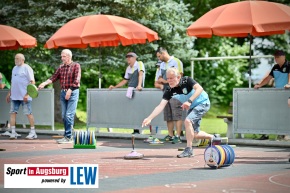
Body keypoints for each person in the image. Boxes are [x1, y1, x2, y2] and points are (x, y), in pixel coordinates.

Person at [142, 68, 221, 158]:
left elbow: (199, 89)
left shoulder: (187, 80)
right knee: (194, 134)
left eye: (172, 78)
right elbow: (161, 106)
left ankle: (189, 149)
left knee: (187, 121)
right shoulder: (169, 90)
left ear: (178, 77)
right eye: (168, 78)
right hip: (193, 107)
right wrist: (149, 118)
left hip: (203, 103)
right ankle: (213, 137)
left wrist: (189, 101)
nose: (169, 81)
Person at [38, 49, 81, 144]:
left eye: (63, 56)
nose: (62, 58)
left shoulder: (76, 66)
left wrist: (70, 90)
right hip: (63, 93)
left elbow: (76, 80)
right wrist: (44, 83)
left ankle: (68, 137)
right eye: (61, 56)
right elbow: (54, 77)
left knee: (69, 115)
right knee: (64, 116)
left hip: (73, 92)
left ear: (69, 56)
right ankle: (67, 135)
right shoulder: (61, 67)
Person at [254, 49, 290, 141]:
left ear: (283, 57)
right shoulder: (275, 67)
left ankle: (285, 134)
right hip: (277, 94)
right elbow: (268, 78)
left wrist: (289, 84)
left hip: (287, 93)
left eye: (278, 57)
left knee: (285, 115)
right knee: (272, 114)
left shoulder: (289, 65)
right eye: (275, 57)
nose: (276, 59)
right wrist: (260, 85)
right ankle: (269, 134)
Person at [109, 52, 145, 134]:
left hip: (138, 91)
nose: (128, 58)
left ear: (135, 58)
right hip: (131, 91)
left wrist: (139, 85)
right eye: (127, 57)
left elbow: (141, 74)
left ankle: (140, 129)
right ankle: (135, 129)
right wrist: (115, 87)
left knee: (139, 110)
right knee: (132, 110)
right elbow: (125, 80)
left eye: (130, 57)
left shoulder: (139, 64)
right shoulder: (128, 68)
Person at [5, 53, 37, 139]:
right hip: (14, 96)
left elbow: (32, 82)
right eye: (15, 58)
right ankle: (13, 132)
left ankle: (33, 132)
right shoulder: (14, 68)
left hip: (24, 96)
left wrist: (27, 94)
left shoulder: (27, 68)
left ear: (23, 60)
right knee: (12, 113)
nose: (16, 60)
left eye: (17, 58)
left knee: (28, 113)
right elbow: (13, 82)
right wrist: (9, 93)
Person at [156, 47, 184, 144]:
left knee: (177, 114)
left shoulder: (176, 61)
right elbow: (159, 78)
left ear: (163, 53)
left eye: (159, 56)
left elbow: (180, 77)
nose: (159, 59)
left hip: (176, 92)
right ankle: (170, 135)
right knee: (168, 115)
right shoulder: (162, 64)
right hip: (166, 91)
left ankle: (178, 136)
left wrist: (164, 81)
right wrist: (164, 82)